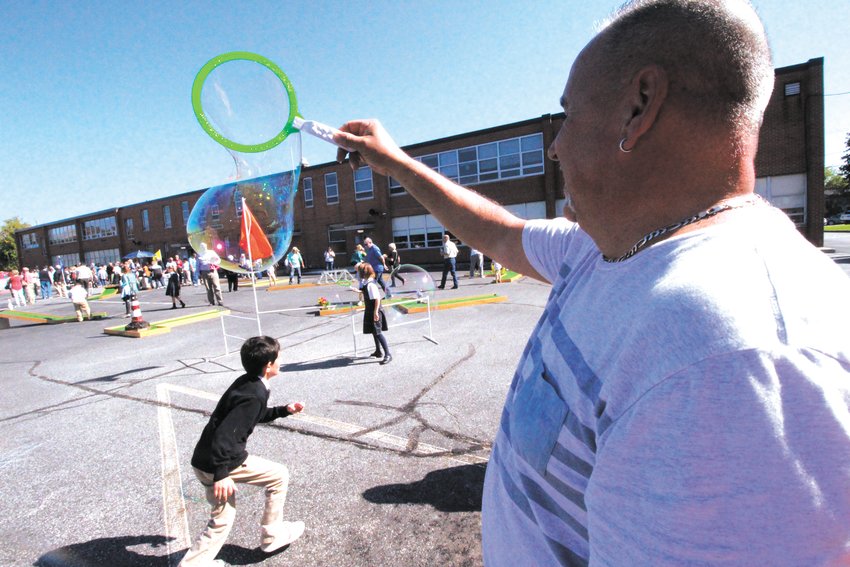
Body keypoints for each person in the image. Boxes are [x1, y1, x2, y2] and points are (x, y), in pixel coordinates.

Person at [332, 1, 850, 563]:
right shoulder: (607, 246)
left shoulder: (731, 353)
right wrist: (397, 164)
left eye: (569, 115)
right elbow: (500, 233)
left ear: (639, 105)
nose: (555, 146)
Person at [179, 336, 305, 567]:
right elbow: (226, 435)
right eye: (278, 358)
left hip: (203, 461)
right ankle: (272, 535)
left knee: (222, 519)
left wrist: (283, 410)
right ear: (268, 365)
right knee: (279, 475)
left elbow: (250, 417)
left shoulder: (248, 382)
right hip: (221, 463)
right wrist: (222, 474)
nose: (281, 361)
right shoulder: (254, 394)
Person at [357, 263, 391, 365]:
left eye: (360, 272)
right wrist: (357, 291)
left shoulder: (371, 285)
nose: (358, 273)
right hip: (370, 310)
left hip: (374, 311)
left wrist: (376, 312)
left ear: (364, 273)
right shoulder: (367, 283)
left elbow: (377, 299)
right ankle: (378, 351)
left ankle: (388, 354)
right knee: (373, 331)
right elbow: (368, 294)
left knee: (378, 333)